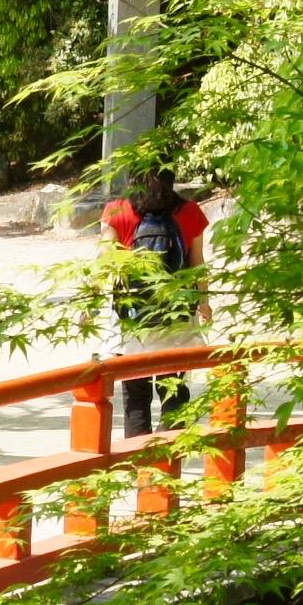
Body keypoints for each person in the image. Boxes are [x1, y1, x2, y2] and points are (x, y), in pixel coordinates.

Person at [102, 170, 208, 434]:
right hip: (177, 314)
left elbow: (105, 265)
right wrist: (204, 302)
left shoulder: (116, 210)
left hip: (132, 316)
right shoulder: (189, 211)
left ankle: (141, 466)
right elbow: (197, 265)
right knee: (174, 392)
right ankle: (168, 461)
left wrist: (90, 307)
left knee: (135, 398)